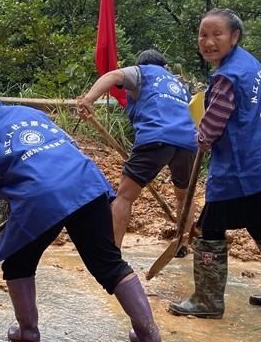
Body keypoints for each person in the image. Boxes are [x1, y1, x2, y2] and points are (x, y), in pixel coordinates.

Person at [0, 70, 162, 342]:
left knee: (17, 264)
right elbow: (68, 146)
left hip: (41, 196)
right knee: (108, 263)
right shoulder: (29, 113)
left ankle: (28, 332)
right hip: (85, 181)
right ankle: (149, 335)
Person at [168, 8, 261, 319]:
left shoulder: (227, 77)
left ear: (234, 36)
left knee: (209, 228)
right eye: (203, 35)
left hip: (243, 168)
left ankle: (207, 301)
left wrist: (200, 137)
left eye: (217, 34)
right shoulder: (247, 63)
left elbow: (212, 128)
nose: (208, 41)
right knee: (259, 222)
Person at [76, 49, 198, 250]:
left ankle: (112, 251)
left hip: (156, 136)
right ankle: (182, 243)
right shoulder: (180, 85)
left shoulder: (142, 72)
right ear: (165, 66)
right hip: (188, 142)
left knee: (125, 195)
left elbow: (113, 75)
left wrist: (89, 99)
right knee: (185, 195)